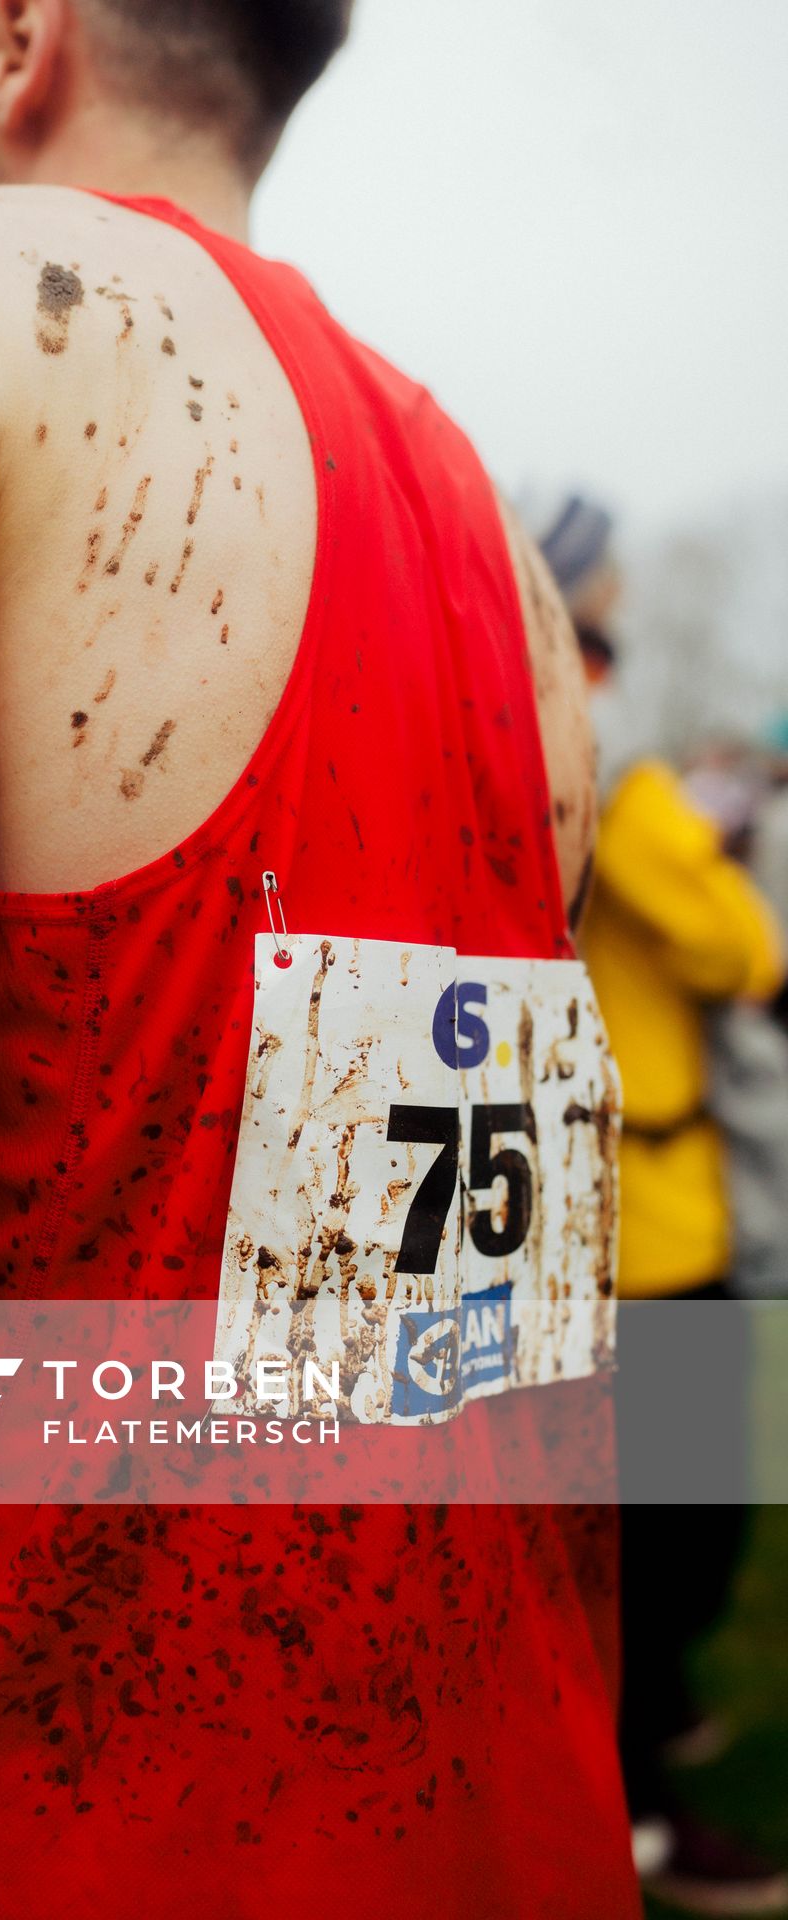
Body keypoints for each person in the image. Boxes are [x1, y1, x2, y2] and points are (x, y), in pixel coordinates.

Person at [0, 5, 638, 1916]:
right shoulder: (488, 520)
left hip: (68, 1829)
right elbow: (472, 1291)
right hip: (510, 1803)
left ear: (18, 36)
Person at [530, 492, 788, 1915]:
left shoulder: (532, 769)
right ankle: (632, 1810)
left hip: (608, 1204)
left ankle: (650, 1724)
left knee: (647, 1522)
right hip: (647, 1219)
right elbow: (741, 949)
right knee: (670, 1528)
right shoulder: (620, 790)